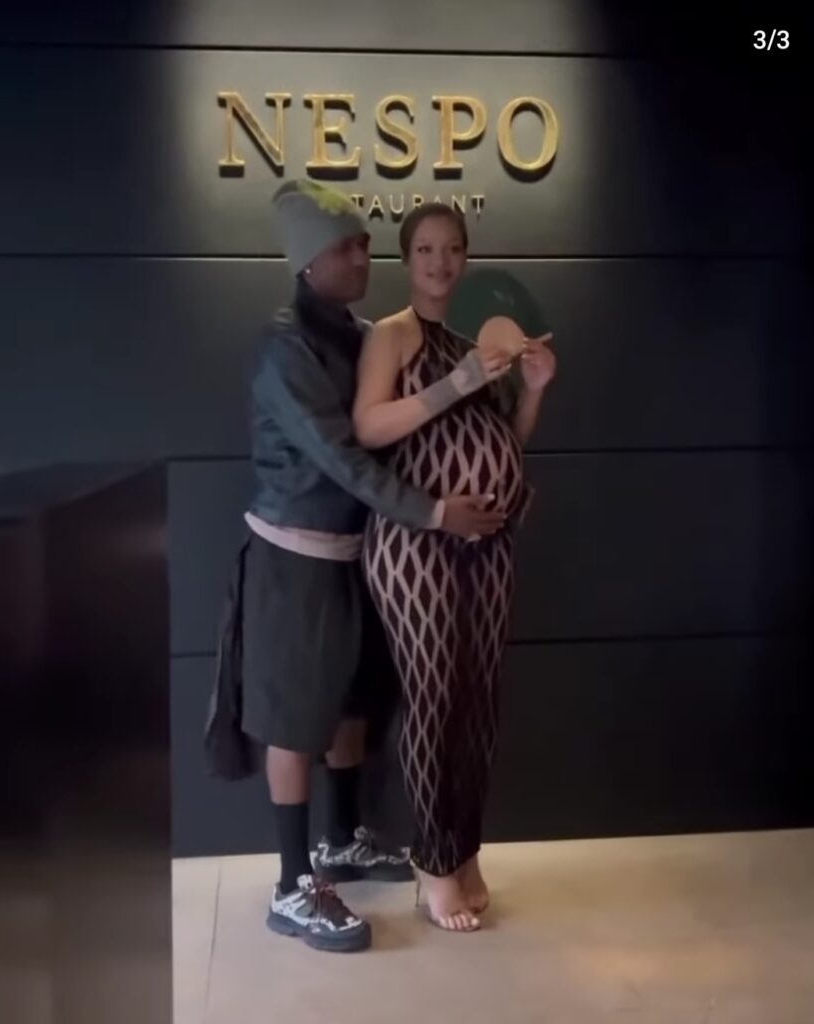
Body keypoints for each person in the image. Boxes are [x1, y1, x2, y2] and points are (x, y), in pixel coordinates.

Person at [207, 181, 506, 955]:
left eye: (364, 243)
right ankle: (291, 885)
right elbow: (342, 456)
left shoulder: (363, 335)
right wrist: (434, 513)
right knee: (293, 718)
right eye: (346, 247)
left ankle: (340, 838)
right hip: (294, 554)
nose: (362, 257)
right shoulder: (285, 348)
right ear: (309, 263)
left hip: (359, 551)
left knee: (350, 703)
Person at [352, 203, 556, 933]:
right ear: (407, 260)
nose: (440, 262)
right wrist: (456, 381)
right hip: (415, 541)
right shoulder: (391, 334)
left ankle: (465, 850)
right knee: (433, 697)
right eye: (426, 250)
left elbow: (503, 440)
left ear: (466, 258)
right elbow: (368, 425)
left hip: (489, 542)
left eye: (453, 249)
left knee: (478, 704)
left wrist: (534, 389)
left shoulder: (479, 340)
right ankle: (433, 861)